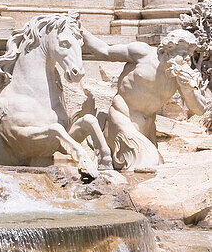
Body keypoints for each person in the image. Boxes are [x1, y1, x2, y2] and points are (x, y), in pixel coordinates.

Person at [81, 28, 209, 172]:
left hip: (148, 127)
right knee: (146, 163)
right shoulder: (143, 53)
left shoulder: (178, 77)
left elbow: (199, 109)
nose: (187, 59)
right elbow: (103, 51)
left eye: (189, 55)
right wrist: (81, 31)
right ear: (166, 50)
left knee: (155, 163)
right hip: (123, 117)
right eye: (183, 53)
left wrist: (188, 88)